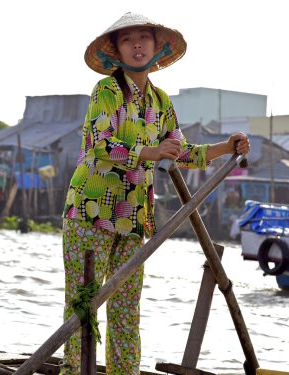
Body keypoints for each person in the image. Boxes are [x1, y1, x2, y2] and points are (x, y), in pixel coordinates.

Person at [60, 12, 250, 375]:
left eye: (143, 37)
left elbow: (179, 152)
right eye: (127, 39)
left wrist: (225, 147)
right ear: (115, 49)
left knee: (126, 309)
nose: (136, 45)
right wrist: (147, 152)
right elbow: (101, 145)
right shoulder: (107, 91)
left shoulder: (161, 102)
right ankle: (73, 371)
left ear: (156, 46)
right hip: (90, 212)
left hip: (132, 220)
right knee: (83, 304)